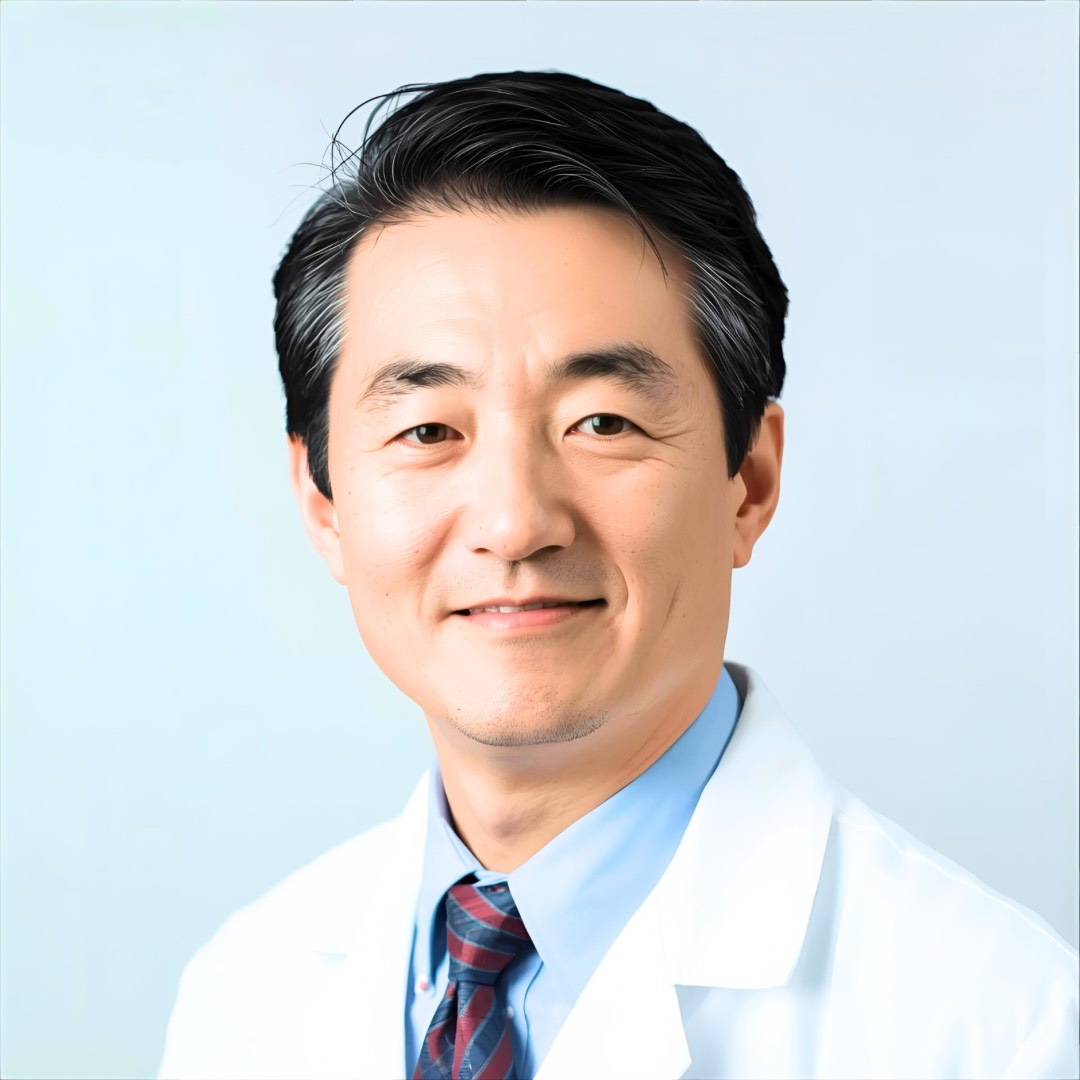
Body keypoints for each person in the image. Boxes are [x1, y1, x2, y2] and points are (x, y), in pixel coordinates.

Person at [159, 71, 1078, 1080]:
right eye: (428, 431)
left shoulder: (998, 1026)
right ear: (322, 501)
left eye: (602, 423)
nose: (515, 522)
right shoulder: (243, 996)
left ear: (749, 481)